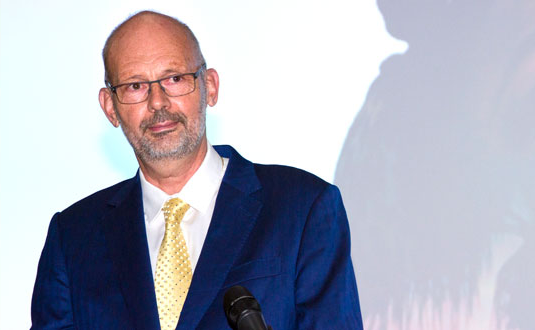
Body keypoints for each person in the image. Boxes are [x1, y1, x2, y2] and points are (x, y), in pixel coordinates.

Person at [30, 11, 362, 329]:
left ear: (210, 87)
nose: (157, 102)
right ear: (110, 108)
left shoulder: (302, 208)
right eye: (135, 86)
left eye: (174, 79)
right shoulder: (73, 237)